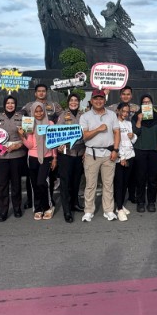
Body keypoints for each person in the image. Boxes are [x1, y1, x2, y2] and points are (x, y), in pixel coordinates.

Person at [79, 89, 121, 222]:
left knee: (108, 184)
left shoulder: (112, 115)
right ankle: (88, 211)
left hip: (108, 153)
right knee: (90, 184)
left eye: (101, 98)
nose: (98, 101)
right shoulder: (85, 116)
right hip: (92, 154)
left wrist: (115, 150)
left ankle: (108, 210)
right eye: (96, 99)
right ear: (91, 101)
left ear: (105, 100)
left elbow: (116, 133)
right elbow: (84, 136)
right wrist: (98, 129)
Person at [0, 95, 26, 221]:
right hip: (1, 157)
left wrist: (17, 146)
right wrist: (1, 148)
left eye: (12, 103)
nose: (10, 105)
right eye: (8, 103)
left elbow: (27, 137)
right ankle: (3, 211)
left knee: (16, 184)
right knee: (2, 185)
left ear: (16, 105)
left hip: (17, 155)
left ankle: (17, 208)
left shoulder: (22, 118)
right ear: (4, 104)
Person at [19, 101, 57, 221]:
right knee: (34, 184)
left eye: (41, 110)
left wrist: (54, 157)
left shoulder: (50, 124)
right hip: (33, 157)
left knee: (42, 182)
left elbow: (53, 143)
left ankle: (48, 206)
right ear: (32, 112)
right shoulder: (29, 124)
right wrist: (22, 136)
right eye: (36, 111)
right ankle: (38, 208)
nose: (39, 113)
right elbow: (30, 145)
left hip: (46, 157)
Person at [133, 94, 157, 213]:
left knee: (152, 178)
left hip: (153, 151)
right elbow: (135, 133)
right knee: (140, 178)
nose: (146, 104)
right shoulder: (136, 116)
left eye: (148, 102)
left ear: (152, 104)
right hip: (140, 150)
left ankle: (151, 202)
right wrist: (139, 119)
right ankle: (141, 202)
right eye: (144, 102)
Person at [57, 93, 85, 223]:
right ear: (68, 102)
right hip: (66, 153)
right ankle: (67, 210)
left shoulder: (83, 115)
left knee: (76, 181)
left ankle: (74, 203)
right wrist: (59, 144)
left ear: (79, 102)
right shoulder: (63, 115)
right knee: (65, 182)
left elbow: (87, 132)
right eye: (71, 100)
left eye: (76, 100)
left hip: (80, 153)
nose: (73, 102)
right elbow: (56, 132)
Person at [113, 103, 136, 221]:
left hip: (130, 155)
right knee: (119, 183)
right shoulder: (114, 123)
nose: (125, 114)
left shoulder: (128, 123)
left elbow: (133, 140)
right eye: (123, 111)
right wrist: (121, 156)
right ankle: (119, 208)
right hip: (120, 158)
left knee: (125, 183)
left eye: (127, 112)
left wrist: (133, 136)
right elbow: (116, 141)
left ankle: (120, 205)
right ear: (118, 110)